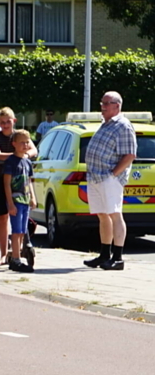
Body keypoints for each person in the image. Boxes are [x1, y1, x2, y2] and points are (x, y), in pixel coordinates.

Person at [83, 91, 137, 271]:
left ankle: (118, 257)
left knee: (115, 214)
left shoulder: (123, 126)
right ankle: (104, 254)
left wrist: (113, 174)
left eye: (106, 103)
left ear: (117, 105)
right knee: (102, 215)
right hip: (96, 176)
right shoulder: (106, 124)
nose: (103, 107)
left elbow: (130, 155)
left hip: (109, 178)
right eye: (102, 103)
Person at [0, 107, 37, 265]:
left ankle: (18, 251)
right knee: (2, 217)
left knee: (20, 220)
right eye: (2, 122)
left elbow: (33, 150)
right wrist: (18, 155)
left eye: (8, 121)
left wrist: (23, 155)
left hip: (19, 183)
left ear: (13, 121)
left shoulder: (20, 136)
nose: (5, 125)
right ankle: (4, 253)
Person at [4, 130, 37, 273]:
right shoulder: (11, 162)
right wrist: (10, 203)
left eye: (27, 142)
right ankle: (15, 259)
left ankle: (19, 256)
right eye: (22, 142)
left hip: (25, 200)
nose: (25, 145)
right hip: (15, 200)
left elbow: (29, 181)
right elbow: (6, 183)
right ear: (14, 144)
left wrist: (33, 197)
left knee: (23, 231)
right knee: (16, 231)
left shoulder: (27, 161)